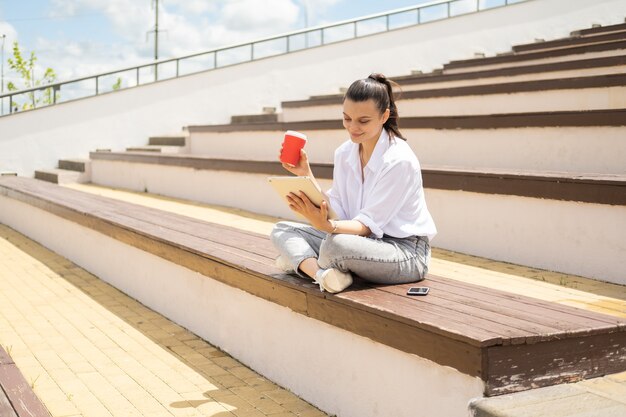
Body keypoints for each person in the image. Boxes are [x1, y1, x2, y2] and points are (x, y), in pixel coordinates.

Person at [270, 73, 436, 293]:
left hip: (404, 252)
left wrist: (328, 227)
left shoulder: (399, 161)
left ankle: (301, 264)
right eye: (347, 118)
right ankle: (322, 274)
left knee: (335, 244)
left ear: (384, 116)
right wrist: (305, 173)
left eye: (363, 121)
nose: (353, 127)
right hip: (357, 240)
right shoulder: (345, 153)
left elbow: (367, 227)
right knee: (282, 230)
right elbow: (337, 208)